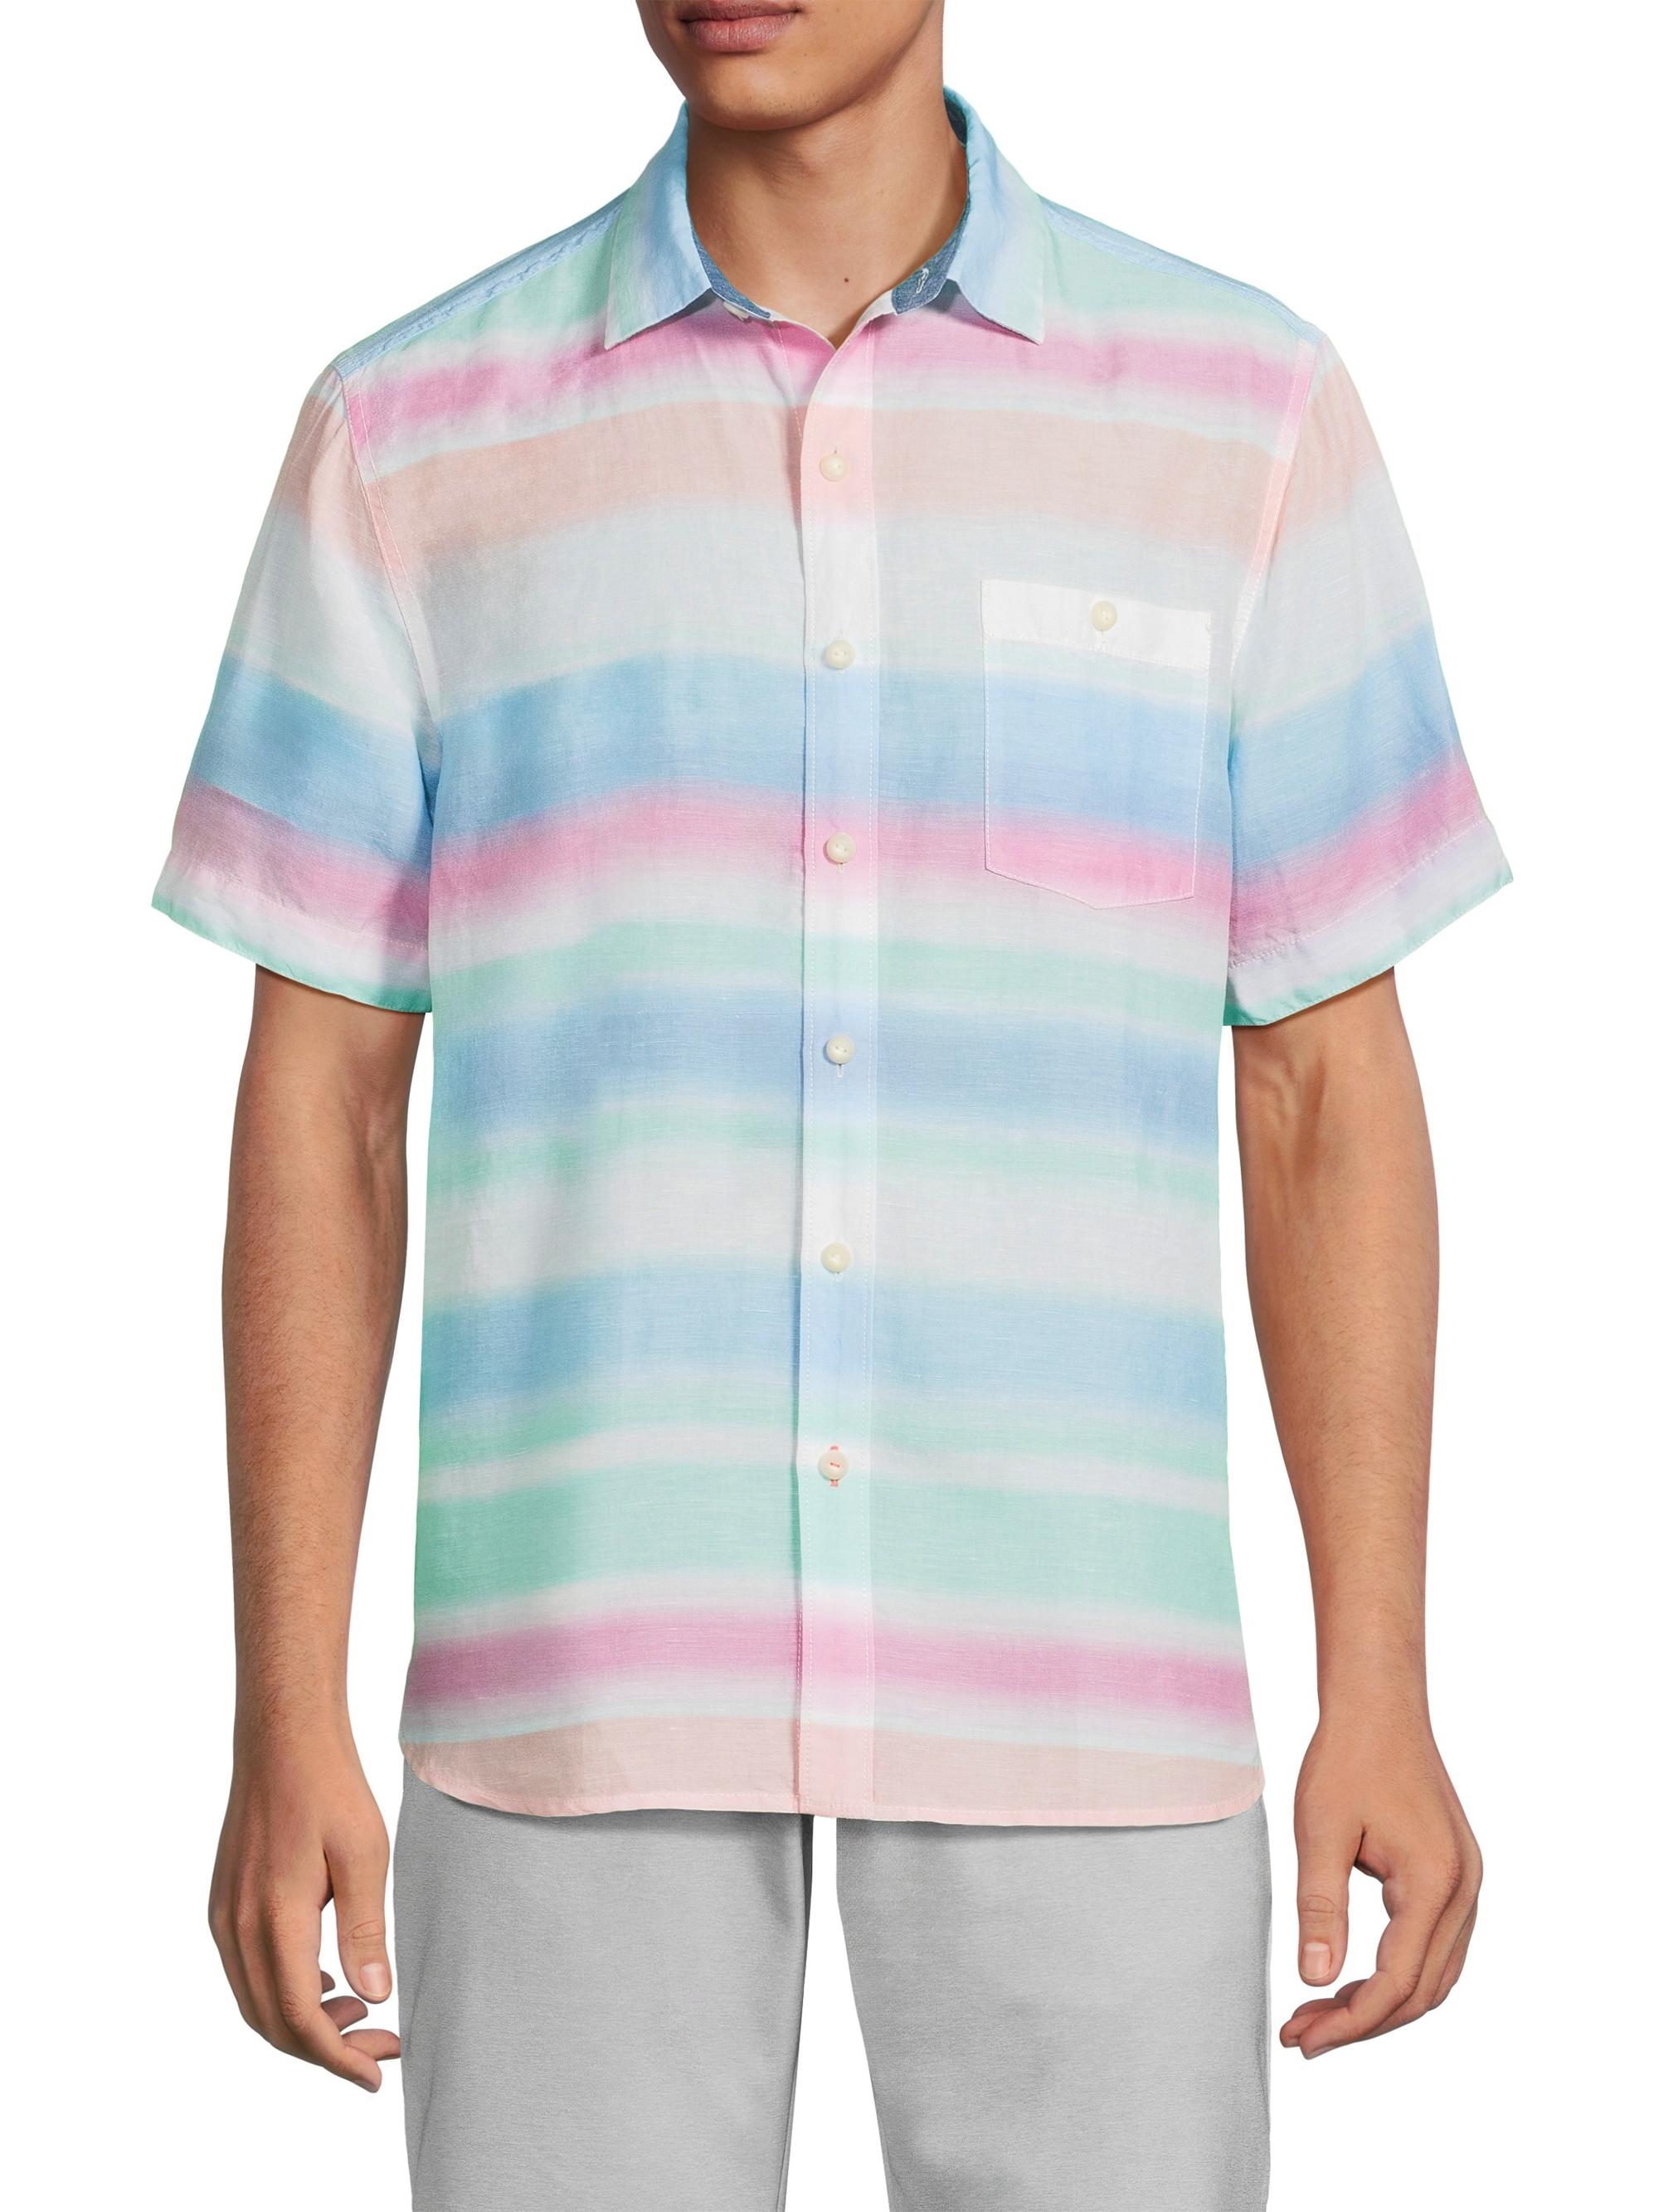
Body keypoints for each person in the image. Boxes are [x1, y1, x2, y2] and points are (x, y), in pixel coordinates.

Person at [153, 2, 1507, 2205]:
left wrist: (1386, 1680)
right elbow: (324, 1101)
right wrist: (281, 1704)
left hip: (1085, 1671)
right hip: (578, 1675)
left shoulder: (1243, 412)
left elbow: (1324, 1092)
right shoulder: (408, 436)